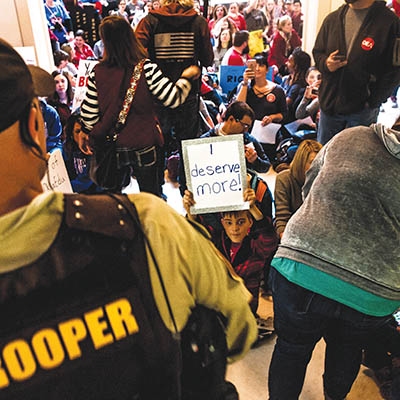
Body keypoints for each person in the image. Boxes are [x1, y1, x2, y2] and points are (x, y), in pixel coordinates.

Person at [0, 37, 257, 400]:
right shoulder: (147, 225)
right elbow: (237, 329)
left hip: (115, 154)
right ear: (34, 126)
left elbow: (89, 116)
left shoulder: (96, 76)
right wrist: (187, 77)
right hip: (145, 152)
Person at [268, 117, 400, 399]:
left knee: (291, 348)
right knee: (347, 349)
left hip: (301, 264)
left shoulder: (349, 137)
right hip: (373, 291)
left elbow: (309, 189)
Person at [79, 15, 200, 196]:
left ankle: (124, 220)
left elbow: (89, 116)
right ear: (130, 36)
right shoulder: (146, 68)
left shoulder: (97, 72)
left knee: (115, 198)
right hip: (144, 144)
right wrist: (186, 77)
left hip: (113, 145)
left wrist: (86, 131)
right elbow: (173, 98)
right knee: (151, 196)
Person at [135, 0, 214, 193]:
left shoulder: (149, 22)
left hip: (158, 94)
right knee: (188, 147)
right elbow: (207, 59)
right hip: (188, 95)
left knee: (157, 145)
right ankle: (189, 193)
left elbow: (136, 55)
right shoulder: (199, 23)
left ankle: (156, 194)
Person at [312, 0, 400, 145]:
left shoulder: (390, 23)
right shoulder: (332, 19)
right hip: (329, 108)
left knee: (353, 161)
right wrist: (326, 64)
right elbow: (318, 52)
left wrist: (374, 100)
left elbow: (395, 70)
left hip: (362, 111)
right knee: (324, 160)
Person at [236, 52, 288, 161]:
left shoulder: (277, 90)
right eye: (255, 66)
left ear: (267, 69)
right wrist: (245, 83)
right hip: (247, 134)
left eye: (261, 65)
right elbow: (238, 107)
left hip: (267, 136)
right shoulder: (246, 87)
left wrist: (272, 117)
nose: (258, 69)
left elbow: (284, 114)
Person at [201, 101, 271, 174]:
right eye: (244, 125)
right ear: (231, 119)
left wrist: (255, 160)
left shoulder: (248, 140)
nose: (246, 130)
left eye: (248, 127)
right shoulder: (205, 141)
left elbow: (266, 166)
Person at [273, 139, 322, 238]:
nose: (317, 168)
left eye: (319, 163)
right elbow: (282, 219)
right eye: (312, 163)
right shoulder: (284, 179)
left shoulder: (323, 180)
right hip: (293, 234)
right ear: (301, 162)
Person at [63, 112, 102, 194]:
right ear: (71, 134)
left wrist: (64, 188)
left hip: (96, 194)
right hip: (76, 192)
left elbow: (86, 181)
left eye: (84, 131)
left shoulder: (95, 150)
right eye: (77, 132)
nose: (82, 136)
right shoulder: (67, 147)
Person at [280, 47, 311, 123]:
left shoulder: (298, 87)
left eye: (289, 61)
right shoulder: (287, 80)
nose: (286, 63)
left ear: (296, 66)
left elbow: (285, 103)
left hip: (290, 121)